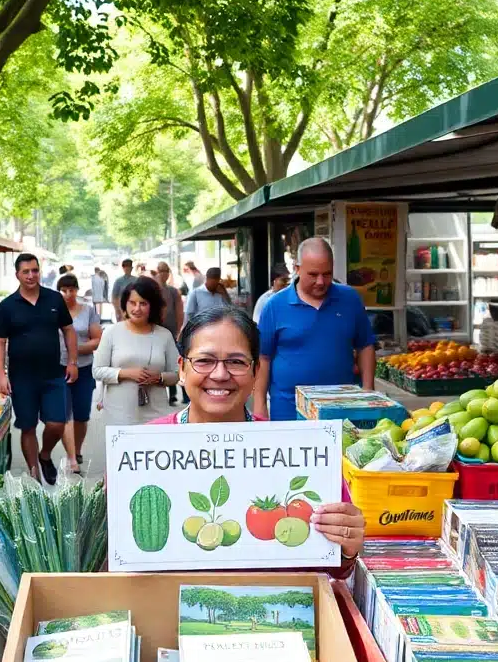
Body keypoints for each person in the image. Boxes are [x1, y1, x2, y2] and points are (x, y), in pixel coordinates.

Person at [148, 306, 366, 575]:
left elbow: (333, 570)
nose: (219, 374)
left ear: (256, 371)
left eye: (236, 362)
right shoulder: (143, 450)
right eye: (204, 361)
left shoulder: (301, 452)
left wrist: (346, 547)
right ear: (182, 369)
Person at [254, 238, 376, 421]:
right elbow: (263, 358)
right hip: (289, 411)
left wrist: (368, 392)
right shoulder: (274, 306)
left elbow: (365, 346)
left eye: (327, 274)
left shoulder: (350, 299)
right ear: (297, 269)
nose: (320, 281)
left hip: (342, 410)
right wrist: (260, 406)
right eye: (313, 274)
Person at [0, 254, 79, 484]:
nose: (31, 275)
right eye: (26, 272)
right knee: (27, 426)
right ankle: (35, 476)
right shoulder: (7, 306)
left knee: (57, 423)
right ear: (17, 275)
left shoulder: (54, 299)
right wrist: (1, 375)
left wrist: (72, 362)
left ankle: (45, 454)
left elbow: (69, 330)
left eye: (34, 270)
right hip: (22, 378)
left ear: (40, 271)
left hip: (53, 374)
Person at [93, 276, 180, 425]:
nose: (136, 309)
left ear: (152, 306)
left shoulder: (164, 335)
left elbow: (178, 374)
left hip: (156, 414)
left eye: (143, 304)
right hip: (118, 413)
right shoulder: (111, 332)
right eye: (132, 303)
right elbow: (97, 370)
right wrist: (126, 373)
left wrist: (159, 377)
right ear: (125, 304)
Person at [57, 274, 102, 473]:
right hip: (58, 368)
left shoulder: (88, 311)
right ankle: (71, 457)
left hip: (84, 368)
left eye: (71, 290)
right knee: (64, 413)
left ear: (77, 290)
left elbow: (97, 339)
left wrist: (75, 349)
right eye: (64, 290)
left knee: (82, 414)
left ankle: (78, 449)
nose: (68, 294)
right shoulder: (53, 311)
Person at [155, 262, 185, 405]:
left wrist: (178, 330)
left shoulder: (173, 291)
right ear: (157, 272)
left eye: (166, 271)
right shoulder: (152, 290)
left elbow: (179, 311)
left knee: (172, 362)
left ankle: (173, 394)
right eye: (161, 271)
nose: (164, 273)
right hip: (154, 333)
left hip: (171, 332)